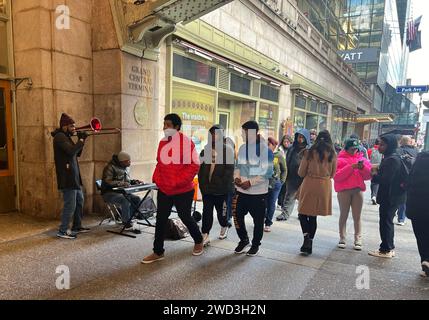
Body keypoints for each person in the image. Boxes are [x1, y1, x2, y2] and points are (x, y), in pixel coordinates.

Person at [141, 114, 203, 264]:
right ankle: (158, 251)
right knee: (161, 219)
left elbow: (194, 166)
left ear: (176, 127)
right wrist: (157, 178)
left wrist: (177, 181)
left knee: (185, 216)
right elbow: (159, 163)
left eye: (168, 125)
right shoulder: (163, 142)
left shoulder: (187, 143)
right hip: (165, 189)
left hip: (182, 189)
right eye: (164, 124)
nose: (164, 128)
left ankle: (199, 240)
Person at [233, 121, 273, 257]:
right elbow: (237, 166)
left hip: (258, 192)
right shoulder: (243, 148)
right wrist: (237, 178)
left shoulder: (265, 150)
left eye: (243, 132)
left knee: (258, 221)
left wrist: (250, 182)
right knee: (237, 216)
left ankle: (255, 244)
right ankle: (244, 240)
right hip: (241, 190)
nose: (241, 135)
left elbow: (267, 172)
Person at [297, 130, 337, 255]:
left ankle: (306, 238)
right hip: (324, 186)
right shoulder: (333, 154)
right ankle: (310, 241)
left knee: (303, 213)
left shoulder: (309, 152)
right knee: (313, 215)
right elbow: (333, 174)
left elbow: (301, 172)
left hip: (309, 183)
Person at [51, 113, 91, 239]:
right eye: (72, 126)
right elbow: (71, 151)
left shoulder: (66, 136)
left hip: (74, 176)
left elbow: (76, 153)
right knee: (70, 204)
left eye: (74, 126)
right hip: (67, 177)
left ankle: (77, 226)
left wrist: (82, 141)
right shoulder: (59, 137)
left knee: (80, 200)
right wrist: (80, 140)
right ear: (64, 126)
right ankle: (62, 230)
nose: (74, 128)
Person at [368, 134, 406, 259]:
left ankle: (386, 249)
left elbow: (385, 179)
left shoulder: (392, 159)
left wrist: (374, 174)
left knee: (386, 221)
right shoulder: (391, 157)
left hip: (390, 196)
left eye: (382, 144)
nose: (379, 147)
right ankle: (388, 247)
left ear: (390, 145)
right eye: (379, 144)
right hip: (392, 196)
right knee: (387, 221)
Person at [198, 124, 235, 245]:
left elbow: (229, 171)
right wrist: (202, 185)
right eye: (212, 133)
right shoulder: (205, 150)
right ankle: (205, 234)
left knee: (222, 213)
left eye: (217, 133)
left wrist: (221, 184)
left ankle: (224, 226)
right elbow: (201, 170)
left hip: (222, 190)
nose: (214, 136)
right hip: (207, 189)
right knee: (207, 212)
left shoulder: (227, 150)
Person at [334, 138, 372, 250]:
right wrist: (351, 167)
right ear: (346, 148)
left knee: (357, 216)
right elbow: (337, 177)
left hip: (357, 190)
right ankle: (342, 237)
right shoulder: (339, 160)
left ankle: (358, 239)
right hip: (343, 191)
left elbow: (368, 176)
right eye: (352, 149)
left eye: (356, 149)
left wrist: (362, 168)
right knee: (343, 215)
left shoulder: (362, 159)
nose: (354, 151)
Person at [101, 151, 145, 229]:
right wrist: (120, 183)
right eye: (128, 161)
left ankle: (129, 218)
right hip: (109, 193)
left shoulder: (125, 168)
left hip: (122, 192)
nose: (130, 162)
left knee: (137, 199)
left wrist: (135, 182)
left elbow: (127, 181)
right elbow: (107, 181)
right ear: (122, 162)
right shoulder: (110, 167)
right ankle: (126, 222)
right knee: (125, 200)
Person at [276, 129, 310, 221]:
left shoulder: (309, 150)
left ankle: (303, 214)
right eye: (299, 137)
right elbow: (287, 161)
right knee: (289, 196)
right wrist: (285, 174)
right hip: (292, 176)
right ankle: (285, 213)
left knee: (303, 198)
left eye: (302, 137)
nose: (300, 139)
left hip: (304, 178)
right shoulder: (292, 148)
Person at [405, 151, 429, 277]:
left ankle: (425, 260)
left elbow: (408, 183)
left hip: (417, 209)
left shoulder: (419, 163)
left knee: (421, 236)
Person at [264, 137, 287, 232]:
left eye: (268, 144)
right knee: (263, 203)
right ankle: (263, 218)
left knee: (271, 203)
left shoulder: (278, 156)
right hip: (264, 183)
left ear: (273, 146)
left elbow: (284, 170)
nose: (266, 146)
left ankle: (268, 223)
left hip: (275, 183)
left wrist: (281, 181)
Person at [396, 136, 419, 226]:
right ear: (410, 142)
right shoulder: (416, 152)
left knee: (397, 196)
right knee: (405, 198)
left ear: (401, 142)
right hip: (410, 178)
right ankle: (401, 218)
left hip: (399, 177)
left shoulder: (398, 150)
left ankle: (396, 212)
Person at [277, 135, 293, 206]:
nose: (286, 143)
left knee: (286, 188)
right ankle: (280, 202)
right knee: (281, 186)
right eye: (284, 142)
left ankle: (283, 202)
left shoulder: (292, 150)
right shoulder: (279, 150)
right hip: (281, 170)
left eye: (287, 142)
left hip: (289, 171)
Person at [369, 139, 383, 205]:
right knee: (377, 182)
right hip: (380, 167)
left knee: (373, 181)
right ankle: (375, 195)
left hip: (371, 167)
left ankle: (373, 195)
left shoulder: (370, 150)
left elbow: (368, 158)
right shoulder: (383, 150)